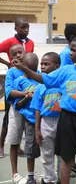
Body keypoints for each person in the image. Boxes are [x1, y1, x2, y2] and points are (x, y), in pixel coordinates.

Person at [12, 36, 76, 184]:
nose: (70, 53)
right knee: (67, 158)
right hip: (66, 119)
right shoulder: (66, 70)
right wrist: (23, 68)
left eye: (73, 50)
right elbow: (43, 79)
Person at [0, 17, 34, 158]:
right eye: (23, 27)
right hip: (14, 79)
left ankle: (20, 147)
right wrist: (8, 64)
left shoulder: (30, 42)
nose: (26, 30)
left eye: (27, 27)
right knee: (9, 116)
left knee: (26, 116)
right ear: (16, 28)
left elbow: (31, 58)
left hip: (26, 78)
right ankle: (1, 145)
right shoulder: (10, 42)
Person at [30, 52, 62, 184]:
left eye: (46, 64)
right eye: (41, 64)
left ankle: (61, 177)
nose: (42, 67)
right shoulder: (40, 86)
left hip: (62, 121)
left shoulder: (62, 83)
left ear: (57, 66)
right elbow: (37, 109)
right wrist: (37, 130)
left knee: (63, 153)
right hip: (46, 122)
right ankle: (49, 179)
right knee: (47, 154)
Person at [59, 24, 76, 175]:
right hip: (70, 96)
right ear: (73, 38)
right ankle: (69, 163)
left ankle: (73, 163)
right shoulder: (65, 54)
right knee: (68, 136)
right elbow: (64, 75)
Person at [4, 44, 31, 183]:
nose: (18, 55)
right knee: (15, 142)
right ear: (11, 58)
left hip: (31, 111)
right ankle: (15, 174)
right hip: (17, 111)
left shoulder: (33, 69)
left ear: (26, 52)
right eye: (14, 54)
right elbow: (10, 92)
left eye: (20, 52)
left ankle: (30, 173)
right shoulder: (12, 72)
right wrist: (25, 94)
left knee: (30, 142)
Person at [14, 53, 40, 184]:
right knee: (30, 148)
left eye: (34, 68)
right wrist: (26, 97)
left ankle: (50, 174)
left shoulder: (40, 79)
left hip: (44, 119)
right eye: (29, 68)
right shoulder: (19, 81)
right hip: (30, 120)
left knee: (49, 148)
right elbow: (17, 104)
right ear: (23, 66)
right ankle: (30, 176)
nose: (31, 71)